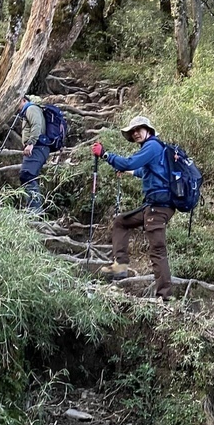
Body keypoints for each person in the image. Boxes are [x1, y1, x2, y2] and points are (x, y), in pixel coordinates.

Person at [91, 116, 175, 300]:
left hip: (159, 208)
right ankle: (120, 267)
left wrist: (106, 155)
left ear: (149, 131)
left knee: (158, 251)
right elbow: (140, 171)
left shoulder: (152, 146)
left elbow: (130, 162)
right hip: (152, 206)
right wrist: (126, 170)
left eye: (139, 129)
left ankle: (165, 297)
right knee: (121, 222)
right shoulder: (152, 149)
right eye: (133, 131)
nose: (135, 133)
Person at [18, 95, 49, 212]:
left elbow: (37, 125)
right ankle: (32, 208)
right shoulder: (26, 112)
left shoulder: (31, 109)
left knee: (27, 175)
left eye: (18, 101)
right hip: (37, 147)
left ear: (24, 100)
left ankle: (35, 211)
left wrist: (31, 143)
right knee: (26, 176)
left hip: (38, 147)